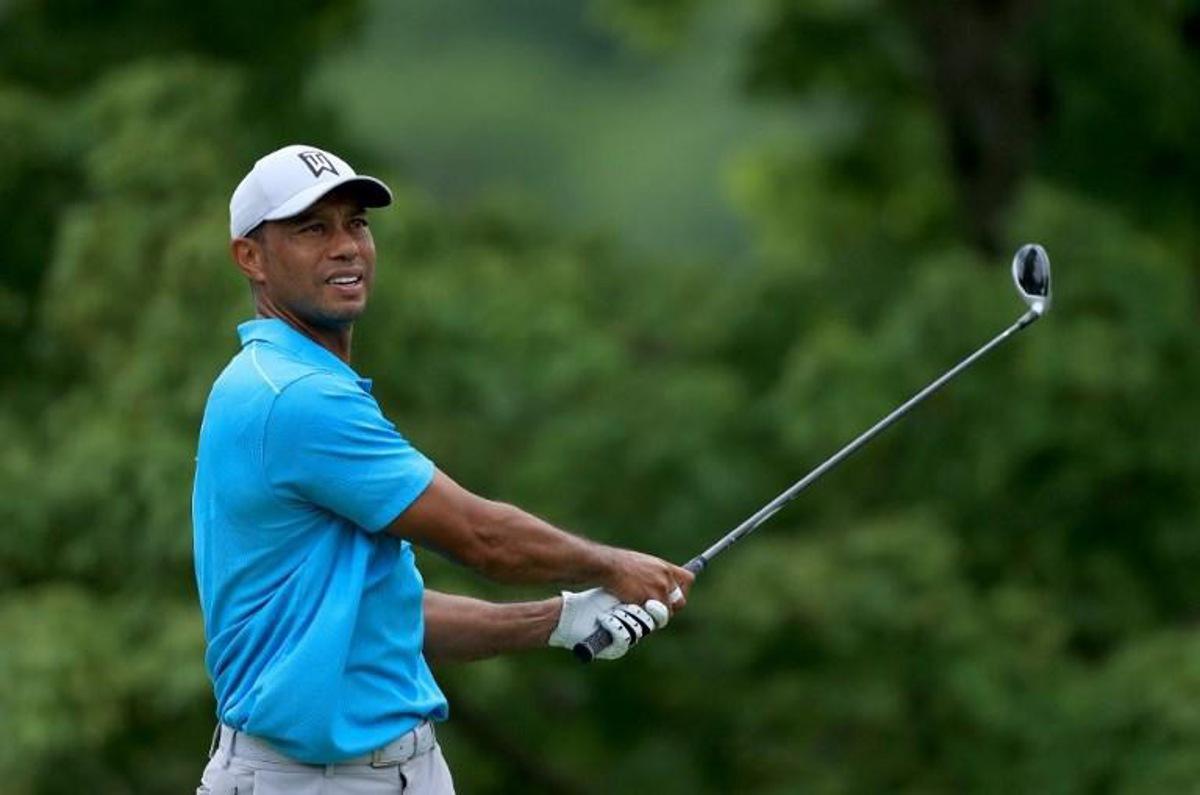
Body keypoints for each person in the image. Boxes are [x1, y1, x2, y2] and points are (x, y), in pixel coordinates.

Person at [193, 144, 694, 794]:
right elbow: (478, 536)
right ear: (250, 257)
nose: (345, 246)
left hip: (404, 770)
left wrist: (562, 617)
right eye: (312, 228)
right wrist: (612, 564)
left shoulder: (301, 380)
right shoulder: (294, 396)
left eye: (356, 223)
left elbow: (385, 611)